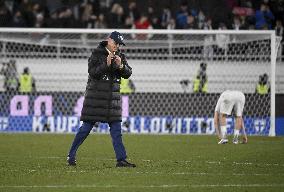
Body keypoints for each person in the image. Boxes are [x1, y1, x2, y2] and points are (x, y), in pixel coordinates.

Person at [67, 31, 136, 168]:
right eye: (116, 43)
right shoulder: (96, 54)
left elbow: (128, 73)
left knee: (117, 131)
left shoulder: (120, 56)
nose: (117, 46)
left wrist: (121, 66)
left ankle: (121, 160)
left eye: (119, 44)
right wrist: (106, 63)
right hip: (96, 100)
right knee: (85, 129)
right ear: (109, 40)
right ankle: (71, 154)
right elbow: (93, 73)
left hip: (112, 101)